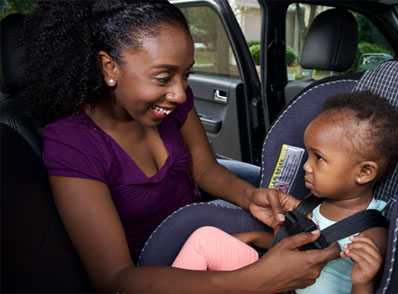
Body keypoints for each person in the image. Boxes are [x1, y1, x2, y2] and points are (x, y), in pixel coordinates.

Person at [21, 0, 340, 292]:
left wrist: (250, 196)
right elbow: (114, 278)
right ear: (109, 68)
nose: (179, 93)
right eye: (163, 77)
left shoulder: (172, 104)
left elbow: (204, 169)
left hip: (204, 234)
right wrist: (254, 280)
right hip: (159, 274)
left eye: (185, 75)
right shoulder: (71, 143)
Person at [171, 91, 398, 294]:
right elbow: (297, 247)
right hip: (277, 283)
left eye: (319, 158)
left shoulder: (370, 231)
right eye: (308, 155)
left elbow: (344, 269)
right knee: (205, 238)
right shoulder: (315, 205)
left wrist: (363, 283)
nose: (306, 166)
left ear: (364, 172)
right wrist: (256, 238)